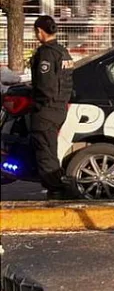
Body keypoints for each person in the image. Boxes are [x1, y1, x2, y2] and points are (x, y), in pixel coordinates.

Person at [29, 16, 74, 199]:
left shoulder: (47, 53)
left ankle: (57, 189)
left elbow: (45, 86)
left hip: (47, 110)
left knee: (46, 152)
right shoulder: (63, 51)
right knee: (49, 149)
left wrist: (38, 105)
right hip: (59, 108)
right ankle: (57, 185)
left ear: (40, 31)